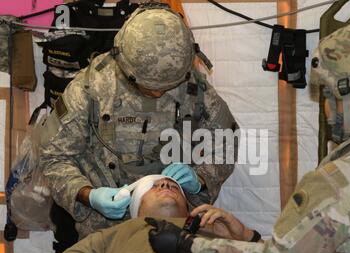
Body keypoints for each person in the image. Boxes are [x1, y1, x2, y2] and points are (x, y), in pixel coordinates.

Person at [146, 21, 350, 253]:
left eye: (327, 95)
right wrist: (249, 237)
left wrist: (187, 247)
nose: (327, 108)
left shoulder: (342, 179)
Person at [39, 4, 238, 239]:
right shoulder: (90, 89)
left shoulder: (196, 91)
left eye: (166, 88)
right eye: (146, 87)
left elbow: (227, 142)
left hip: (174, 227)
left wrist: (202, 178)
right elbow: (53, 157)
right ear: (123, 64)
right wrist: (87, 194)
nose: (156, 94)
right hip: (104, 232)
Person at [31, 175, 280, 253]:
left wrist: (247, 236)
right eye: (155, 186)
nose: (165, 185)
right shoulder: (109, 237)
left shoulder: (219, 228)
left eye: (173, 185)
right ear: (136, 205)